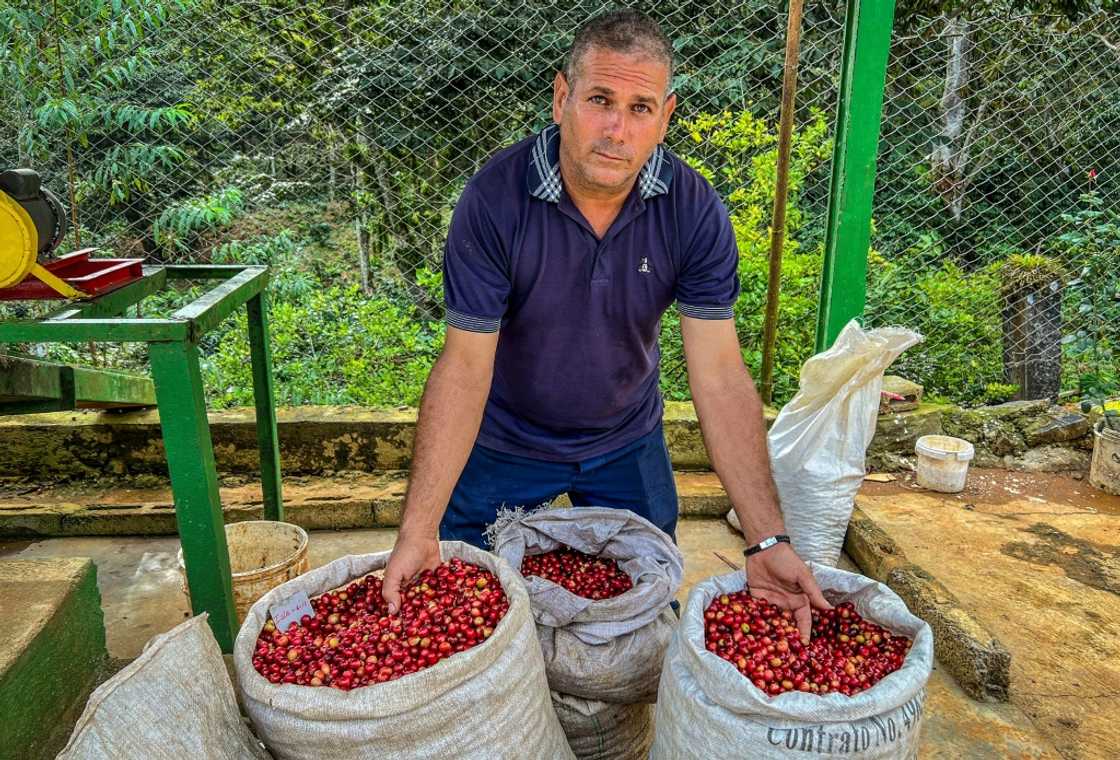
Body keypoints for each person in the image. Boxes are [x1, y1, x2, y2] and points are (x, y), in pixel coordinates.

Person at [382, 9, 830, 641]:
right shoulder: (494, 199)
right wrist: (416, 529)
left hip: (626, 438)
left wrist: (765, 538)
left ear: (666, 116)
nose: (617, 129)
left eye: (641, 107)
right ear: (563, 96)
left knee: (644, 615)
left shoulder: (693, 210)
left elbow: (722, 376)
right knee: (464, 608)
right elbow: (464, 365)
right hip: (506, 438)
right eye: (600, 99)